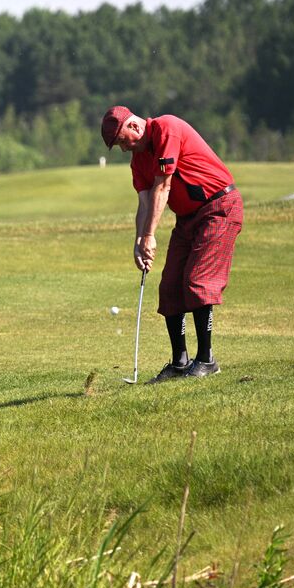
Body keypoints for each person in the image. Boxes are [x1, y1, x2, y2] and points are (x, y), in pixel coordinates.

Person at [101, 106, 243, 382]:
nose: (121, 149)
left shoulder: (167, 128)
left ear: (134, 127)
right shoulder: (138, 160)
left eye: (121, 141)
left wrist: (151, 235)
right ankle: (180, 362)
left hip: (219, 208)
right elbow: (144, 204)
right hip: (187, 219)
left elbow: (163, 187)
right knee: (169, 287)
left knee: (197, 282)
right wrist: (139, 241)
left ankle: (206, 360)